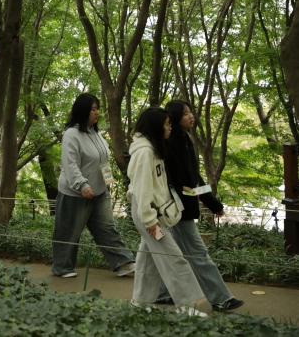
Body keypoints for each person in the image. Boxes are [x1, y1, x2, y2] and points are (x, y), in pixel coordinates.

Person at [154, 100, 244, 312]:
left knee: (169, 251)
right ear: (175, 118)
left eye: (190, 112)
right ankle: (221, 298)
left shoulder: (186, 140)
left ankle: (162, 293)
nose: (191, 115)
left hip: (181, 207)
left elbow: (194, 178)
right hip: (176, 209)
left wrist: (212, 203)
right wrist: (185, 190)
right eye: (186, 113)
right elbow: (171, 181)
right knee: (198, 254)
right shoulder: (170, 143)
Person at [127, 107, 207, 317]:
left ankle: (140, 302)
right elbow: (142, 190)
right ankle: (187, 306)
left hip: (151, 214)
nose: (170, 128)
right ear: (156, 126)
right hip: (149, 214)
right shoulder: (145, 153)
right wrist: (149, 220)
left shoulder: (152, 150)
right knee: (173, 257)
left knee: (148, 259)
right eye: (167, 124)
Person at [51, 93, 135, 278]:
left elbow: (104, 160)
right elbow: (70, 164)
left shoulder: (96, 133)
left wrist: (108, 181)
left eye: (98, 109)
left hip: (99, 192)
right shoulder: (71, 135)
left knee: (107, 227)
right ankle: (62, 267)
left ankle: (123, 263)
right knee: (69, 231)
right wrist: (82, 185)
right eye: (93, 109)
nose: (97, 113)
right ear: (82, 111)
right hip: (75, 193)